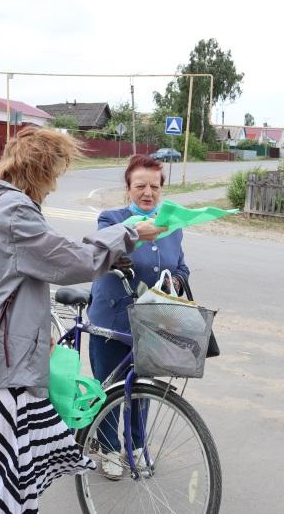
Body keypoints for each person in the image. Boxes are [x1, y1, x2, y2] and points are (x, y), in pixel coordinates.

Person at [0, 128, 164, 513]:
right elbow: (73, 262)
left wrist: (36, 332)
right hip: (7, 372)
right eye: (53, 174)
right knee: (4, 482)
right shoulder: (15, 213)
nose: (52, 187)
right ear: (37, 171)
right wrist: (129, 232)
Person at [87, 154, 190, 480]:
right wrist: (119, 258)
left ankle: (135, 446)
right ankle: (106, 449)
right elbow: (103, 250)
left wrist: (175, 280)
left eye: (154, 187)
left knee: (141, 390)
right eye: (140, 186)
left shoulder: (171, 226)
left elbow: (181, 267)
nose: (148, 193)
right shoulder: (111, 219)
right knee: (110, 389)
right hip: (112, 320)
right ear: (128, 188)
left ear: (162, 190)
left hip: (151, 322)